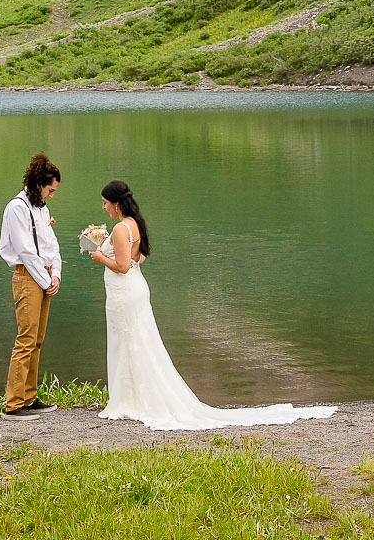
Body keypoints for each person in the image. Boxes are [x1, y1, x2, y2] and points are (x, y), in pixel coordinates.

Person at [87, 179, 335, 430]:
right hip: (134, 290)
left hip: (125, 293)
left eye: (106, 203)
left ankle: (131, 401)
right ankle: (134, 398)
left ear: (117, 204)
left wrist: (99, 257)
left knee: (130, 342)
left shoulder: (121, 229)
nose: (104, 207)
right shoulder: (134, 224)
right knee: (138, 343)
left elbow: (123, 266)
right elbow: (139, 258)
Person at [0, 153, 62, 420]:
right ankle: (13, 404)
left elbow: (51, 245)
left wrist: (56, 274)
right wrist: (45, 280)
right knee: (25, 339)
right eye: (50, 189)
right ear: (39, 184)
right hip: (27, 277)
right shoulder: (17, 208)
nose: (51, 195)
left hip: (44, 276)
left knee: (37, 340)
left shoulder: (42, 208)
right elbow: (25, 251)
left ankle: (29, 396)